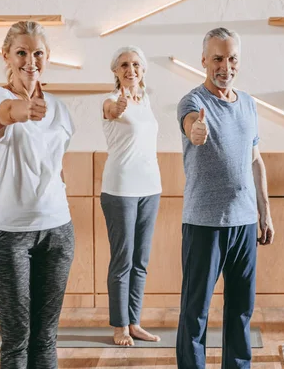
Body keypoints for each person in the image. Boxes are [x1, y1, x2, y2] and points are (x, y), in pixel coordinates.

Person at [175, 27, 274, 369]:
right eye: (217, 58)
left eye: (232, 58)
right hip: (205, 224)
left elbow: (255, 159)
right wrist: (196, 131)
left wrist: (265, 211)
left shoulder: (248, 103)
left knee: (240, 310)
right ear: (204, 60)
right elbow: (192, 127)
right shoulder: (193, 102)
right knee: (195, 312)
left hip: (245, 223)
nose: (225, 66)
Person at [0, 21, 75, 368]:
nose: (30, 61)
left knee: (46, 337)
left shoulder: (60, 107)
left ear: (47, 57)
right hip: (8, 235)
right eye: (21, 52)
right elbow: (9, 114)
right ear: (6, 55)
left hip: (58, 230)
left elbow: (57, 163)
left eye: (38, 53)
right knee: (17, 337)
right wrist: (26, 110)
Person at [100, 46, 162, 346]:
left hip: (151, 188)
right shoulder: (111, 102)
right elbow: (112, 111)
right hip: (121, 190)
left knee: (141, 261)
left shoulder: (147, 100)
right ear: (116, 70)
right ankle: (119, 326)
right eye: (124, 64)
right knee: (122, 260)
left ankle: (135, 322)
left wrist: (132, 104)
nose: (131, 69)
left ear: (143, 69)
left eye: (136, 64)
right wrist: (119, 108)